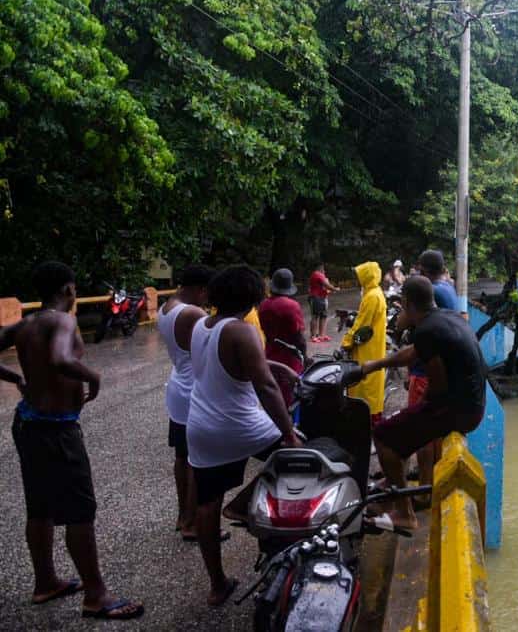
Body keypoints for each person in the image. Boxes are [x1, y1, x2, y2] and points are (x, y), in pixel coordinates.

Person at [0, 262, 143, 620]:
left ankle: (45, 582)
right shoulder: (63, 320)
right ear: (69, 290)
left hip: (29, 423)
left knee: (41, 506)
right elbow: (61, 359)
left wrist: (16, 378)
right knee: (80, 511)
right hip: (56, 430)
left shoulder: (25, 323)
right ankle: (96, 595)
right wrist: (92, 376)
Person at [187, 265, 302, 606]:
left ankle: (217, 585)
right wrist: (289, 433)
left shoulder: (200, 326)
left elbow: (232, 366)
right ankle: (243, 506)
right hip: (240, 426)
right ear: (252, 299)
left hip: (201, 426)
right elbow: (265, 387)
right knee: (301, 457)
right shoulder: (241, 330)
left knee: (207, 503)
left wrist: (276, 366)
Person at [359, 276, 486, 531]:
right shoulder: (445, 317)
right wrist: (373, 366)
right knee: (402, 432)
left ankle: (405, 514)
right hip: (473, 405)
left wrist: (417, 414)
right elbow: (413, 353)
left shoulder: (426, 330)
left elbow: (436, 387)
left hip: (457, 410)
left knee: (384, 436)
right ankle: (389, 492)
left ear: (406, 302)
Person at [157, 264, 216, 543]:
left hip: (178, 388)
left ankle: (183, 516)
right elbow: (212, 349)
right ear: (200, 289)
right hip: (195, 392)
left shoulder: (167, 306)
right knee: (196, 461)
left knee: (182, 457)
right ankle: (193, 523)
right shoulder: (193, 314)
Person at [406, 250, 459, 488]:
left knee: (420, 430)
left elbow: (405, 321)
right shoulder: (448, 287)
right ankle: (432, 482)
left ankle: (423, 488)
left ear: (424, 270)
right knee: (435, 432)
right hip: (442, 367)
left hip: (425, 370)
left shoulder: (433, 291)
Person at [343, 262, 387, 425]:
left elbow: (362, 324)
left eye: (360, 275)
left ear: (366, 276)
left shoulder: (371, 297)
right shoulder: (375, 293)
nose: (357, 279)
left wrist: (347, 342)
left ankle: (364, 422)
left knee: (364, 385)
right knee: (370, 384)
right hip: (373, 347)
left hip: (367, 349)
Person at [259, 268, 306, 405]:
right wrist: (304, 356)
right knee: (289, 397)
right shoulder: (291, 306)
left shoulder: (263, 305)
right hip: (289, 359)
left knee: (272, 395)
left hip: (270, 354)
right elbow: (299, 337)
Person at [308, 262, 340, 343]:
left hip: (322, 298)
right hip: (316, 298)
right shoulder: (317, 274)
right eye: (323, 269)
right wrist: (335, 289)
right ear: (320, 268)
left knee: (323, 316)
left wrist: (329, 290)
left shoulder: (321, 275)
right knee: (315, 316)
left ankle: (321, 335)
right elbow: (327, 285)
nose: (324, 271)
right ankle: (313, 336)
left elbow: (324, 287)